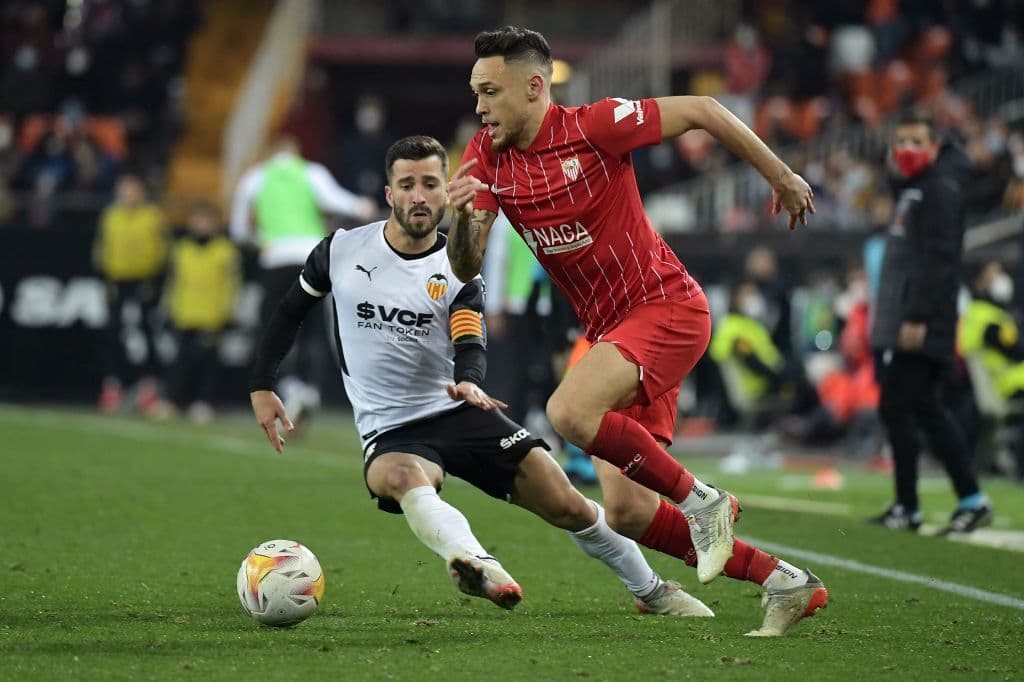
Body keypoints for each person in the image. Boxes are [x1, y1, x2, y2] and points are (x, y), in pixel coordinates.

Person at [446, 26, 827, 637]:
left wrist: (781, 176)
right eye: (476, 93)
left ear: (535, 87)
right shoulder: (487, 155)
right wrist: (462, 216)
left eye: (490, 92)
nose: (480, 106)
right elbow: (465, 265)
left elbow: (704, 109)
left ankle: (705, 502)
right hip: (614, 336)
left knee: (568, 411)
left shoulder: (594, 127)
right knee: (626, 511)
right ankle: (783, 581)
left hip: (665, 308)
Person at [247, 135, 711, 618]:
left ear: (447, 192)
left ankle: (652, 591)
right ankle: (474, 561)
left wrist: (469, 378)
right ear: (389, 193)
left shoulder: (458, 266)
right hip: (390, 429)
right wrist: (262, 384)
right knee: (403, 477)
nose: (419, 196)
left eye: (431, 184)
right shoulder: (341, 250)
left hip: (459, 409)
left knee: (567, 504)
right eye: (407, 185)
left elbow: (469, 336)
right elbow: (288, 312)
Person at [869, 110, 993, 534]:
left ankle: (917, 505)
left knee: (897, 405)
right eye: (901, 141)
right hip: (914, 316)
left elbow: (940, 261)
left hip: (924, 320)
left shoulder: (938, 189)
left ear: (936, 147)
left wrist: (918, 316)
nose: (907, 149)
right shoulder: (919, 187)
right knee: (922, 406)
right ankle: (961, 499)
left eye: (917, 141)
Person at [230, 134, 378, 425]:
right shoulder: (311, 173)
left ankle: (290, 386)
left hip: (275, 260)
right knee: (313, 329)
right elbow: (342, 202)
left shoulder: (255, 178)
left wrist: (261, 241)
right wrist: (364, 206)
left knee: (274, 329)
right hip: (311, 259)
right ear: (295, 151)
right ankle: (310, 390)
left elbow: (238, 230)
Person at [157, 201, 241, 423]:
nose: (202, 225)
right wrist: (168, 307)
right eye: (199, 220)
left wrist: (227, 311)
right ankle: (172, 400)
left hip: (212, 315)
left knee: (209, 362)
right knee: (181, 360)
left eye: (207, 221)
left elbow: (232, 284)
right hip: (184, 312)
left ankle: (204, 402)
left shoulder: (225, 251)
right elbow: (172, 281)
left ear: (216, 224)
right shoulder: (181, 249)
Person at [92, 172, 167, 415]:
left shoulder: (152, 216)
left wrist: (154, 278)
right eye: (125, 189)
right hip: (117, 280)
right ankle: (113, 385)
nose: (129, 195)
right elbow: (102, 248)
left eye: (133, 190)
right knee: (114, 332)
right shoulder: (111, 216)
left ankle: (148, 387)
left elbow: (162, 249)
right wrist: (105, 275)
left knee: (147, 332)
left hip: (144, 280)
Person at [959, 261, 1024, 480]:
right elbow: (1016, 350)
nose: (1001, 279)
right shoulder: (990, 318)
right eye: (993, 275)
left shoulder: (976, 312)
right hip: (1009, 383)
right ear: (980, 282)